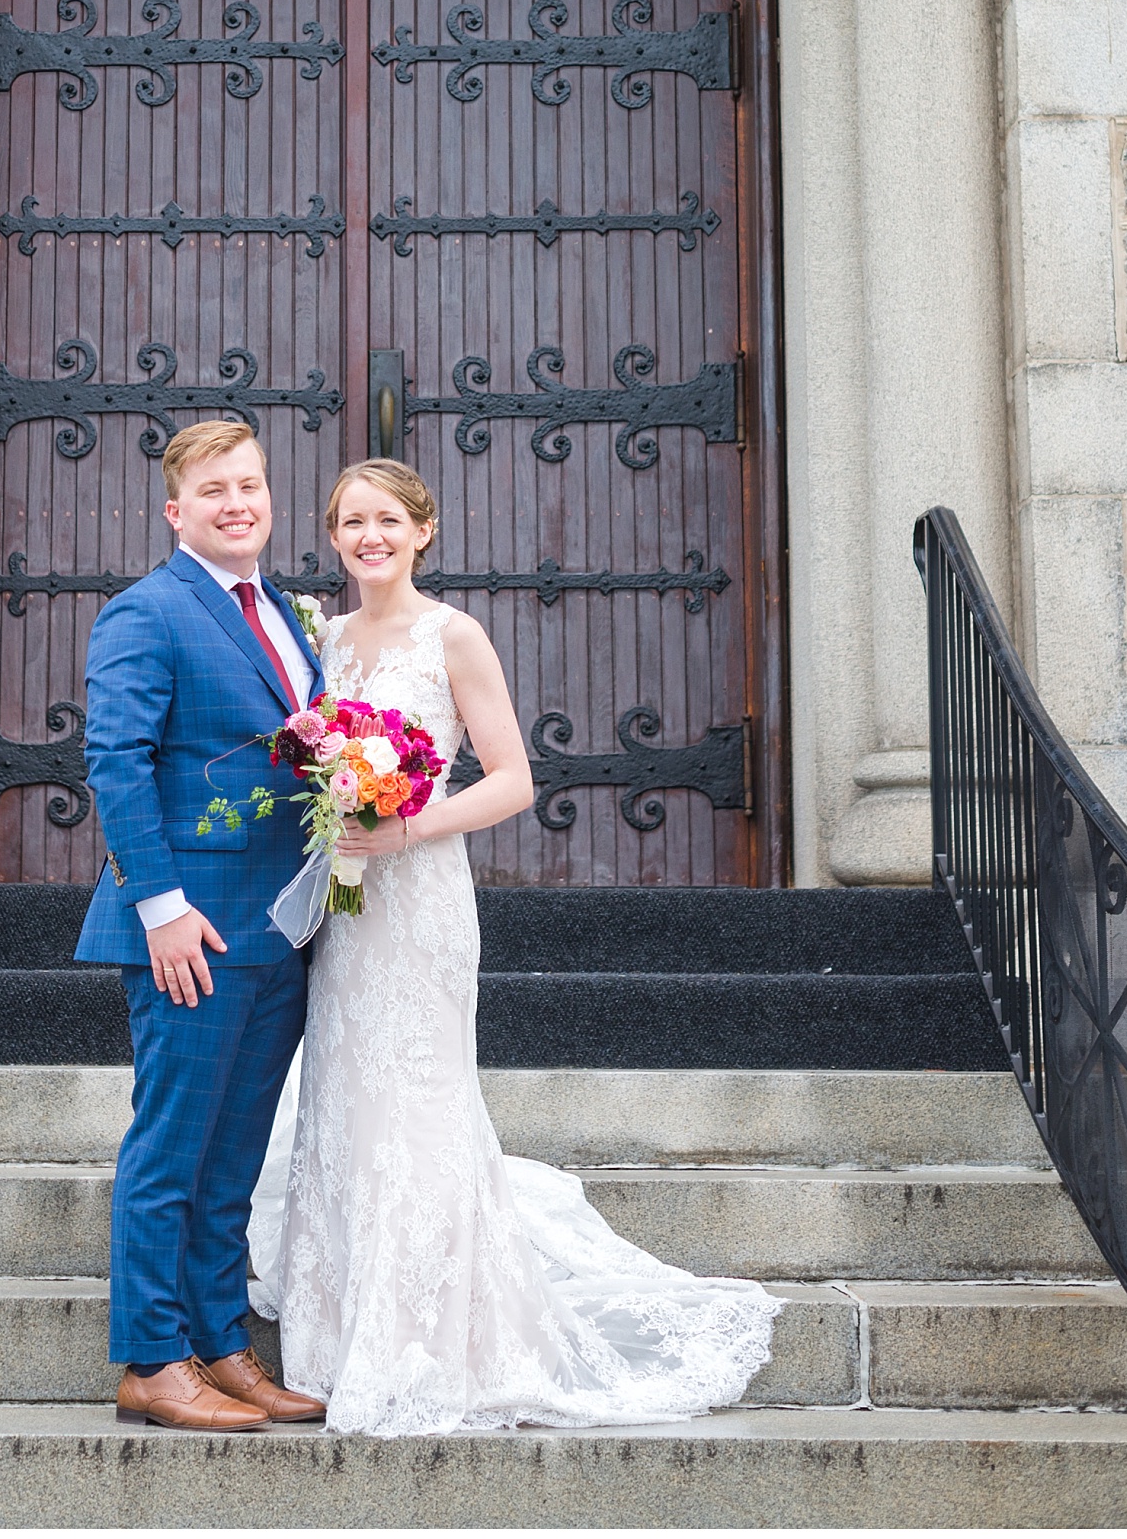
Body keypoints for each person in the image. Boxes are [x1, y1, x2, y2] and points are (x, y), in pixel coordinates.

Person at [248, 458, 780, 1437]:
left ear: (423, 529)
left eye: (386, 519)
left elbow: (512, 779)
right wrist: (337, 806)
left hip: (422, 899)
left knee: (419, 1102)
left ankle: (433, 1343)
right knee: (346, 1097)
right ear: (332, 537)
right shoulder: (324, 642)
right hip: (348, 902)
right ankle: (335, 1344)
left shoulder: (454, 636)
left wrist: (404, 823)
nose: (368, 535)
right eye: (349, 521)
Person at [74, 418, 331, 1432]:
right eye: (215, 488)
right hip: (191, 930)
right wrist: (162, 908)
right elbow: (117, 762)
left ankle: (224, 1342)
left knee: (234, 1156)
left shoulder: (288, 614)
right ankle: (151, 1356)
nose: (238, 502)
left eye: (252, 485)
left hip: (280, 929)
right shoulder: (146, 611)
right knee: (172, 1150)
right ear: (176, 509)